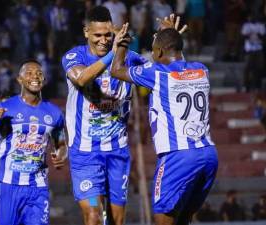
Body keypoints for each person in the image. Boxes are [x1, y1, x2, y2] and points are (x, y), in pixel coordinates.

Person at [110, 26, 218, 225]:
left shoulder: (157, 73)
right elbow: (179, 61)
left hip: (177, 155)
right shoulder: (202, 70)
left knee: (162, 218)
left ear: (159, 51)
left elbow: (116, 70)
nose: (152, 54)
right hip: (208, 154)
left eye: (153, 49)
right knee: (183, 218)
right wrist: (170, 35)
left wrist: (122, 44)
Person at [61, 5, 149, 225]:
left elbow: (163, 71)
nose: (103, 40)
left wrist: (170, 43)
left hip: (117, 152)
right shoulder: (74, 56)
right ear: (86, 33)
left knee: (116, 220)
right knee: (93, 215)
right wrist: (113, 54)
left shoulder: (130, 58)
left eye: (108, 35)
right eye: (97, 35)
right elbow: (81, 79)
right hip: (85, 155)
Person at [0, 59, 67, 225]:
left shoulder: (54, 113)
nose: (35, 77)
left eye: (39, 73)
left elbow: (61, 143)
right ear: (20, 79)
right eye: (29, 73)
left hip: (38, 187)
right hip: (9, 187)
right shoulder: (7, 107)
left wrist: (61, 155)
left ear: (44, 80)